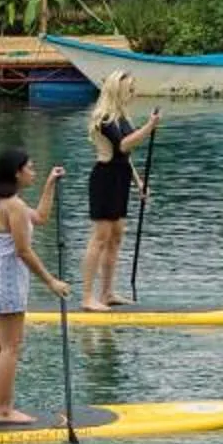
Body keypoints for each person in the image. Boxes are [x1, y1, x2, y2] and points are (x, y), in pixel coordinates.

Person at [0, 145, 70, 424]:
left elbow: (40, 218)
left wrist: (50, 184)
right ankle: (5, 410)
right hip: (5, 277)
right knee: (11, 345)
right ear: (17, 173)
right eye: (30, 168)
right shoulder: (13, 206)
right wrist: (51, 281)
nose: (34, 172)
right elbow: (23, 251)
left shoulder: (3, 201)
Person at [80, 74, 162, 309]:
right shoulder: (104, 118)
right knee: (100, 237)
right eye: (130, 88)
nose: (133, 93)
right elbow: (123, 145)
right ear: (118, 89)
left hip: (121, 177)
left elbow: (126, 156)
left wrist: (139, 183)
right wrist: (149, 126)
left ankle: (107, 293)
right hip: (104, 178)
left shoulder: (123, 117)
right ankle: (87, 297)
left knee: (116, 236)